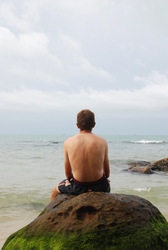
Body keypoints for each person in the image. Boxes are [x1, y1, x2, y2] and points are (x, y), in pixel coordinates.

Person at [50, 109, 110, 202]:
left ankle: (51, 213)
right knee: (106, 181)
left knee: (54, 190)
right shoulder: (102, 141)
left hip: (78, 186)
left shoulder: (68, 142)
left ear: (77, 125)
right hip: (100, 186)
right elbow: (107, 173)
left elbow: (68, 174)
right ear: (94, 124)